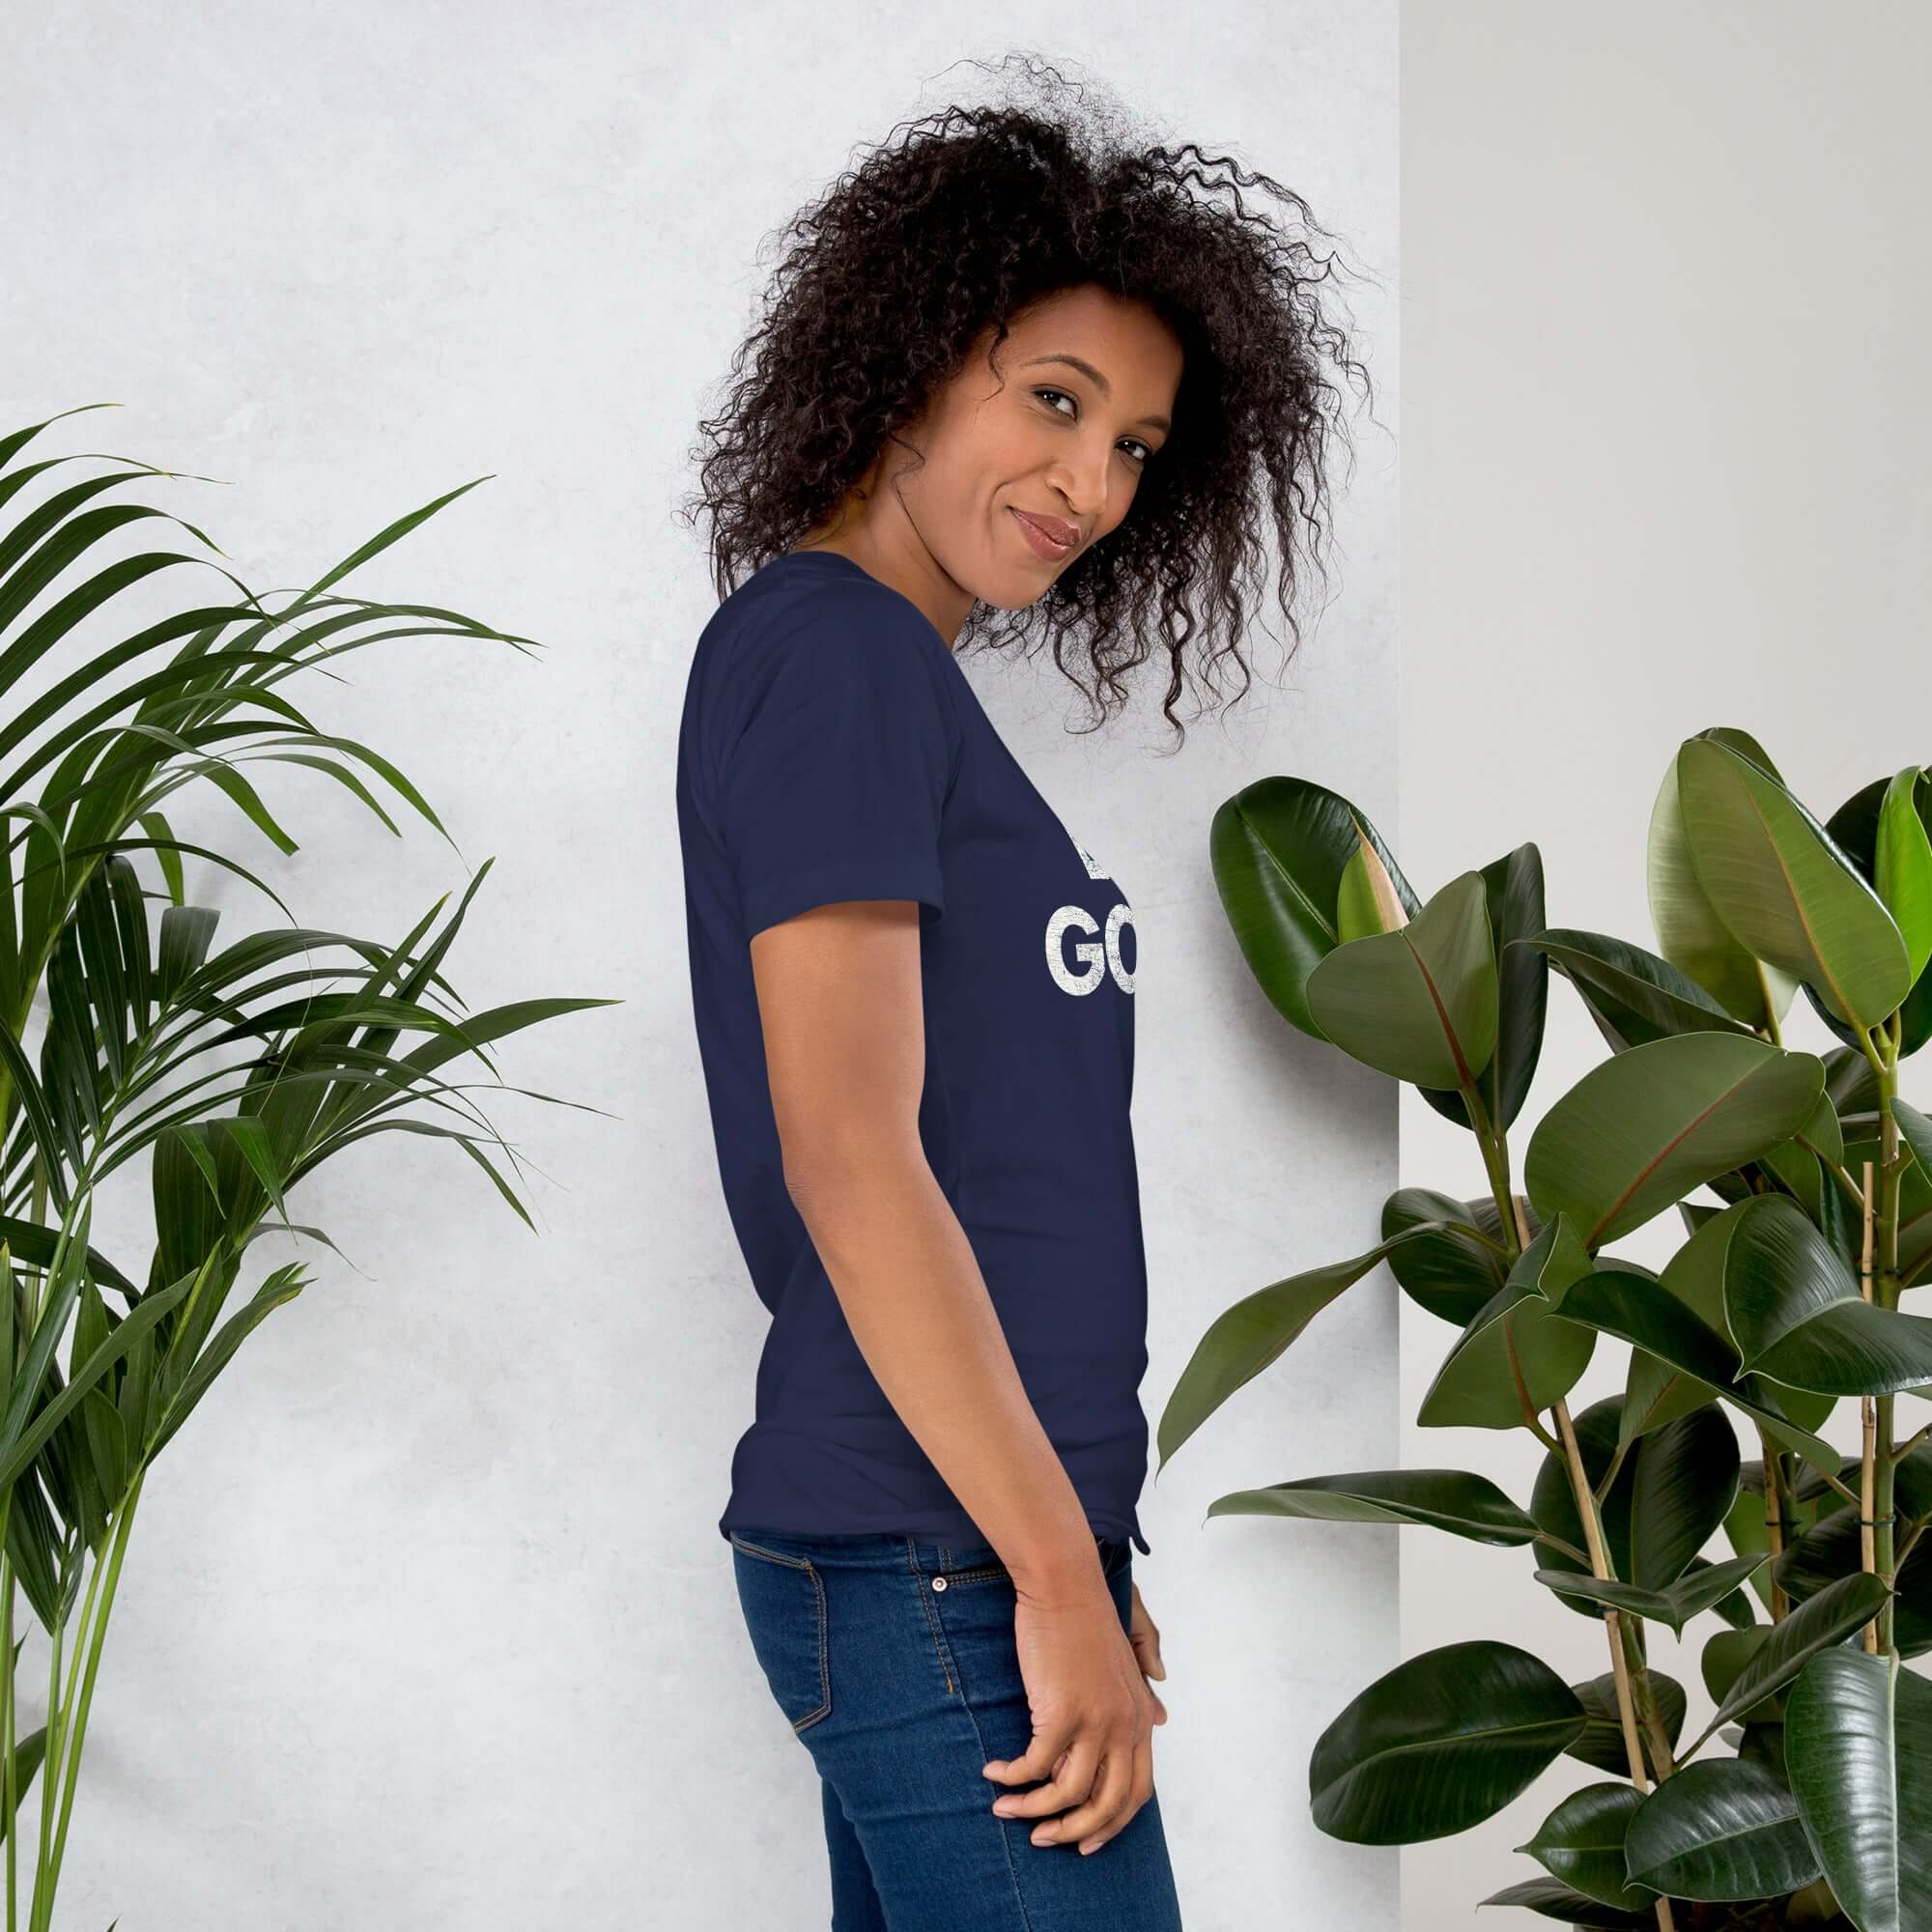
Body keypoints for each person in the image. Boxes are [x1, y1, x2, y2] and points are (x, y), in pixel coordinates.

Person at [674, 56, 1372, 1928]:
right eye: (1052, 400)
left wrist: (1069, 1546)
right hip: (927, 1545)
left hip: (964, 1536)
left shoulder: (883, 674)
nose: (1088, 483)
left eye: (1135, 444)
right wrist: (1046, 1576)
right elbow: (849, 1153)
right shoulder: (836, 659)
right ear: (909, 357)